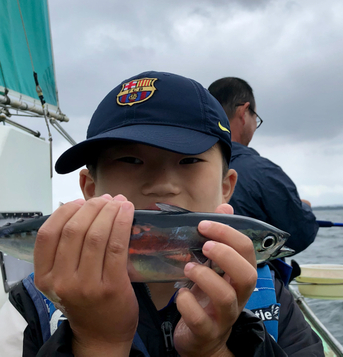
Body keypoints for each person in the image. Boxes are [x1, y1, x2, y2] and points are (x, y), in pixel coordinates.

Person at [0, 71, 323, 356]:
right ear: (89, 187)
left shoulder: (272, 299)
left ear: (227, 187)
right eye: (130, 160)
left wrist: (213, 350)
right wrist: (97, 342)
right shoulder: (31, 305)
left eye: (189, 161)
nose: (163, 185)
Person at [208, 78, 319, 255]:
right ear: (244, 112)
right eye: (256, 118)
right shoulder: (263, 172)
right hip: (254, 279)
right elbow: (300, 235)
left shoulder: (186, 167)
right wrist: (304, 208)